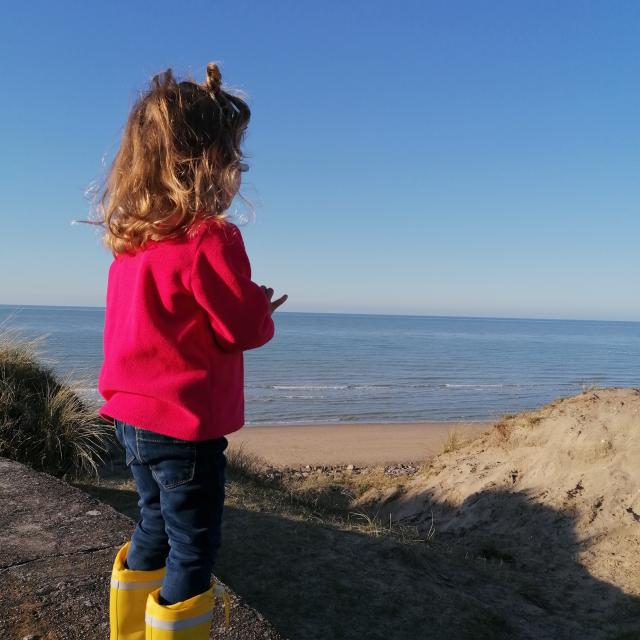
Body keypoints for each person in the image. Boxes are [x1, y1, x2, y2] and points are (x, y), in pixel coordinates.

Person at [97, 62, 287, 640]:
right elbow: (236, 327)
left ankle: (127, 630)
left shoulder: (131, 246)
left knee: (152, 521)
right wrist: (261, 311)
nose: (238, 172)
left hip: (130, 419)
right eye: (234, 159)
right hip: (183, 427)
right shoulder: (211, 237)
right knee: (194, 547)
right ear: (209, 164)